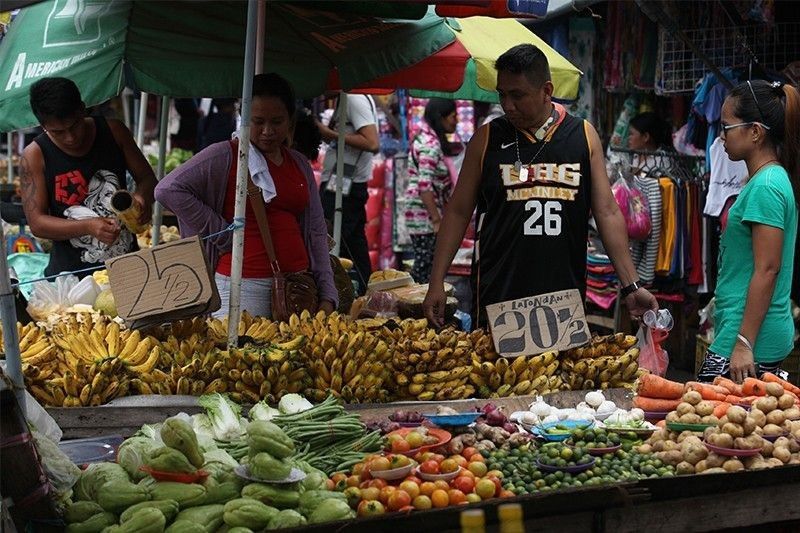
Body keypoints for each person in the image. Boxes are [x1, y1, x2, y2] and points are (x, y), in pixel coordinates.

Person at [423, 44, 658, 328]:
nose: (507, 105)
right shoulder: (486, 139)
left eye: (517, 95)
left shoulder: (582, 136)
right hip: (498, 295)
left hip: (563, 300)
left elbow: (607, 212)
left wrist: (631, 285)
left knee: (558, 372)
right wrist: (436, 282)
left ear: (547, 91)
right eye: (502, 94)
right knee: (498, 372)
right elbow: (458, 212)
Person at [155, 73, 337, 318]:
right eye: (257, 121)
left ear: (290, 121)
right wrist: (223, 233)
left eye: (277, 121)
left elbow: (315, 230)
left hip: (298, 289)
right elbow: (167, 190)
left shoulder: (298, 163)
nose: (267, 131)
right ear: (243, 119)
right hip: (242, 288)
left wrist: (327, 293)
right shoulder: (224, 155)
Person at [697, 80, 799, 383]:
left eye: (726, 127)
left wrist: (744, 343)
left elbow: (767, 270)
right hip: (746, 330)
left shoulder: (766, 187)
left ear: (755, 132)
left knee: (708, 424)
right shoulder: (767, 181)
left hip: (749, 336)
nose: (720, 136)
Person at [20, 77, 155, 278]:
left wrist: (142, 199)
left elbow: (147, 178)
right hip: (70, 278)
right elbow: (37, 223)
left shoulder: (114, 132)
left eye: (74, 125)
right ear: (42, 125)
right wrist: (87, 226)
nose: (70, 137)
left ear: (82, 109)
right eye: (58, 132)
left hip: (127, 268)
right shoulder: (34, 156)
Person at [317, 93, 380, 295]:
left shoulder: (354, 98)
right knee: (353, 247)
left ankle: (340, 296)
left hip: (345, 187)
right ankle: (363, 296)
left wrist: (329, 134)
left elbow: (372, 142)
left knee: (332, 244)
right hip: (342, 184)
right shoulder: (346, 99)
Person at [404, 98, 458, 284]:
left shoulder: (424, 137)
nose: (456, 120)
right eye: (453, 116)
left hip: (420, 216)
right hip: (424, 218)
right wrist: (436, 220)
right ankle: (417, 307)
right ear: (441, 118)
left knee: (424, 266)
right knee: (425, 269)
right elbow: (424, 185)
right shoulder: (430, 144)